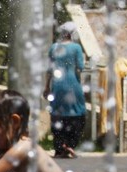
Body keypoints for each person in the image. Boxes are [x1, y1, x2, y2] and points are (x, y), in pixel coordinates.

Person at [43, 21, 86, 158]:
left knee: (57, 114)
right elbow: (80, 67)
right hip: (73, 85)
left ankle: (59, 146)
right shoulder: (76, 48)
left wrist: (46, 87)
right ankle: (71, 144)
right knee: (78, 113)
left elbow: (49, 70)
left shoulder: (54, 47)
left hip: (57, 86)